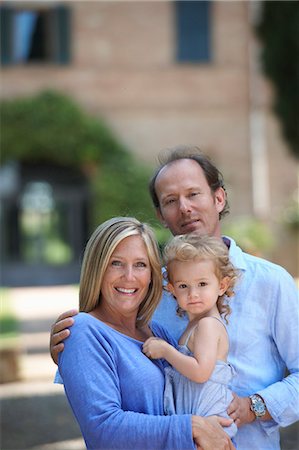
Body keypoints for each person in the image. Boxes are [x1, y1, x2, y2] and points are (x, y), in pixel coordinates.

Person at [50, 146, 299, 450]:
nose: (184, 208)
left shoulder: (271, 282)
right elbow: (108, 366)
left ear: (219, 198)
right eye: (171, 201)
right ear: (161, 216)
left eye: (193, 194)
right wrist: (66, 351)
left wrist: (255, 406)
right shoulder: (150, 289)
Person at [56, 216, 235, 450]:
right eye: (116, 263)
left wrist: (212, 422)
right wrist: (193, 427)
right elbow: (103, 429)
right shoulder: (83, 330)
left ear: (152, 274)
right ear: (97, 268)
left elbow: (193, 387)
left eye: (140, 264)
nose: (129, 276)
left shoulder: (156, 332)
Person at [142, 234, 239, 440]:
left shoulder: (208, 325)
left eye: (202, 284)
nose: (193, 293)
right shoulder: (194, 326)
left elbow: (201, 372)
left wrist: (166, 351)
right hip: (197, 419)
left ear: (222, 286)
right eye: (184, 286)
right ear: (172, 290)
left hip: (210, 421)